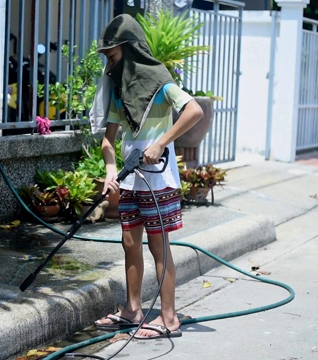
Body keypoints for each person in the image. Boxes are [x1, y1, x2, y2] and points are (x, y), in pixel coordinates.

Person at [90, 13, 203, 339]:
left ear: (128, 48)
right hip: (129, 178)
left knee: (159, 248)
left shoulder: (161, 82)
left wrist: (162, 142)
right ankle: (133, 309)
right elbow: (108, 141)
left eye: (112, 55)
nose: (109, 64)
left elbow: (193, 110)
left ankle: (168, 319)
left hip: (158, 179)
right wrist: (111, 169)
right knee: (129, 243)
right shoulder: (119, 90)